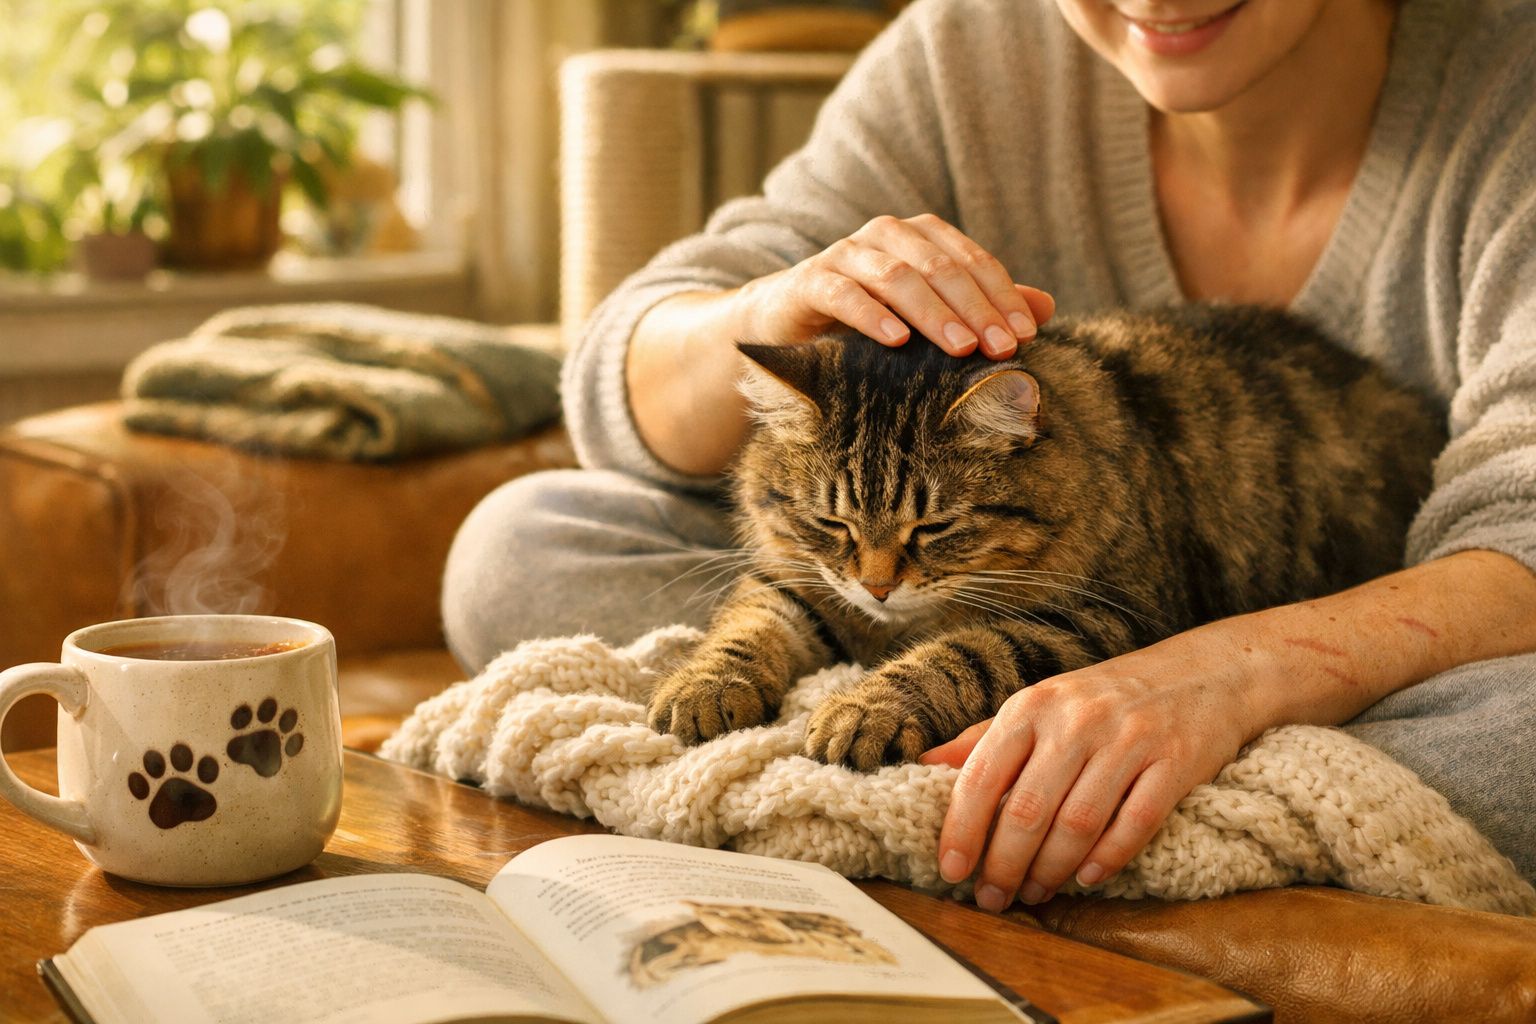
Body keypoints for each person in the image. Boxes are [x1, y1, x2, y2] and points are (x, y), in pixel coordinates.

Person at [445, 0, 1536, 906]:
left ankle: (982, 792)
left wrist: (1224, 676)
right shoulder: (973, 45)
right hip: (979, 580)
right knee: (523, 539)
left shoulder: (1507, 80)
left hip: (1391, 630)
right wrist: (781, 298)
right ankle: (1080, 794)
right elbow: (619, 374)